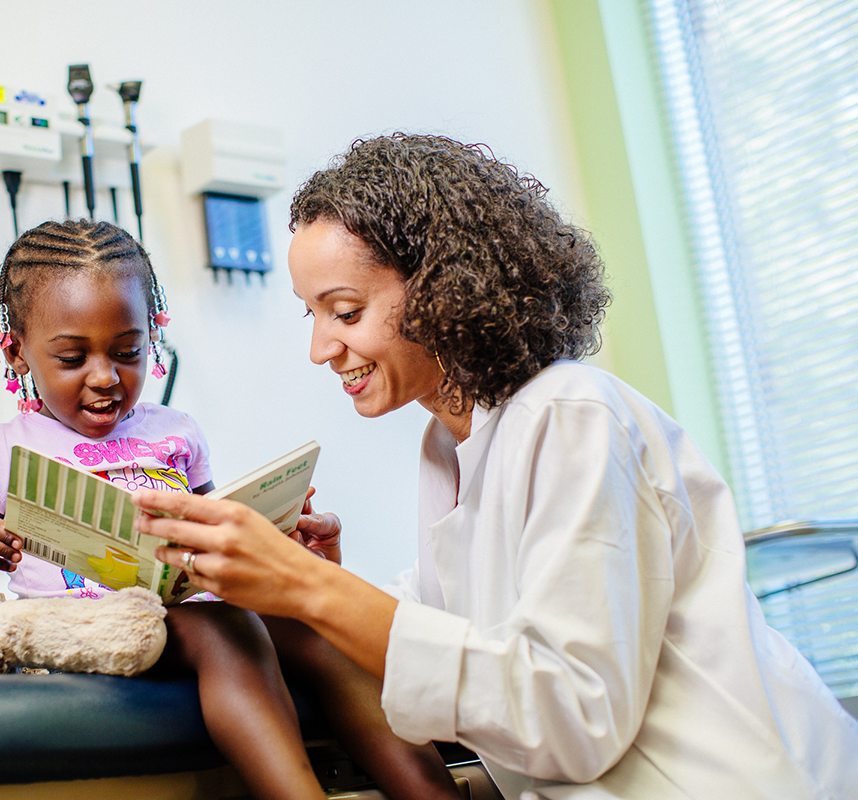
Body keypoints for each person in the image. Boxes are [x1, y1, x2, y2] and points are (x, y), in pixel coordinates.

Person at [134, 134, 858, 799]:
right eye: (312, 316)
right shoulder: (451, 446)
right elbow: (463, 649)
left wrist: (312, 588)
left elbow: (573, 715)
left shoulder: (570, 414)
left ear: (444, 289)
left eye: (346, 312)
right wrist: (315, 577)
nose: (322, 349)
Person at [0, 218, 464, 800]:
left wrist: (274, 541)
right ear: (17, 352)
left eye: (128, 351)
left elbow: (214, 535)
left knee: (320, 631)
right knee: (226, 629)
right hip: (83, 628)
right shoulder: (0, 446)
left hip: (184, 610)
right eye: (72, 358)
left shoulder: (176, 432)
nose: (106, 377)